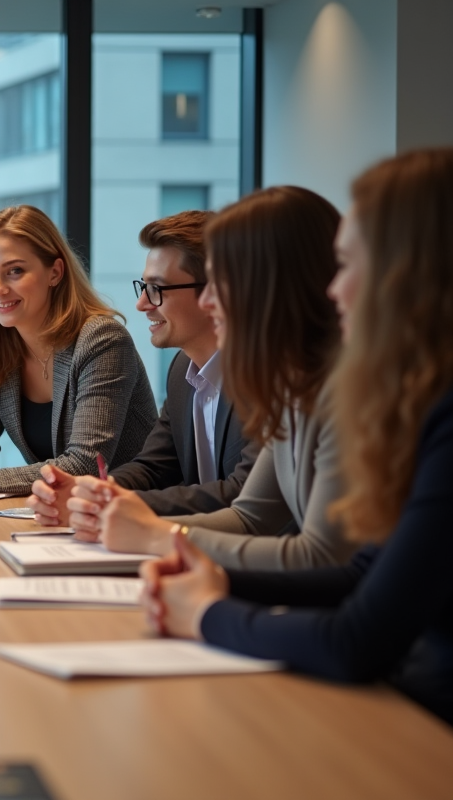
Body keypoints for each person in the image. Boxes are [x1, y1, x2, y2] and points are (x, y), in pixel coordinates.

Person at [140, 148, 453, 727]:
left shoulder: (420, 411)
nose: (335, 290)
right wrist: (204, 571)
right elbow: (360, 572)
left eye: (351, 264)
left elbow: (357, 635)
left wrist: (205, 606)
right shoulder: (393, 397)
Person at [67, 186, 358, 570]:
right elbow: (249, 517)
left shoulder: (346, 391)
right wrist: (126, 520)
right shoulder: (290, 385)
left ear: (274, 283)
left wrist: (154, 536)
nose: (208, 301)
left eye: (224, 282)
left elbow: (323, 558)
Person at [27, 211, 259, 524]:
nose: (142, 304)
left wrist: (116, 504)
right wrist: (94, 492)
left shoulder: (265, 377)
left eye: (157, 289)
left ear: (213, 292)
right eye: (144, 287)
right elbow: (154, 466)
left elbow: (243, 493)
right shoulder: (182, 370)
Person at [0, 204, 157, 496]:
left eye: (15, 271)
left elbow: (84, 464)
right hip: (64, 518)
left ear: (55, 272)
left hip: (139, 514)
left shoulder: (102, 340)